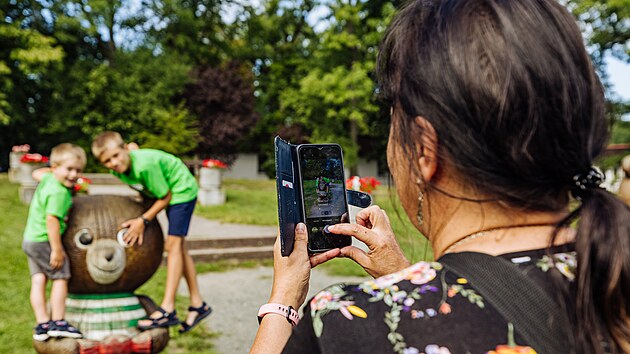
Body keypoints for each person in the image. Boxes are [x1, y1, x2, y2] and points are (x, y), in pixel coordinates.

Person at [251, 0, 630, 353]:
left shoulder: (350, 326)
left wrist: (283, 299)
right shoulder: (614, 270)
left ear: (423, 150)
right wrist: (409, 279)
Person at [91, 132, 212, 333]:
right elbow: (143, 185)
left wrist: (143, 220)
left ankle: (168, 309)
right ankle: (198, 305)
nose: (113, 162)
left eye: (115, 156)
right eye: (107, 161)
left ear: (124, 149)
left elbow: (165, 196)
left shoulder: (144, 165)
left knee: (172, 246)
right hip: (167, 190)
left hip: (181, 190)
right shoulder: (119, 169)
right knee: (180, 248)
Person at [22, 143, 86, 341]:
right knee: (60, 277)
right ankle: (58, 321)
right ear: (55, 166)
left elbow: (37, 174)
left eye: (78, 170)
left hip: (30, 239)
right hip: (44, 241)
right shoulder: (58, 192)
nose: (74, 174)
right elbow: (52, 221)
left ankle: (42, 324)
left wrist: (56, 171)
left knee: (39, 279)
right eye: (69, 169)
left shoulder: (49, 178)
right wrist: (57, 250)